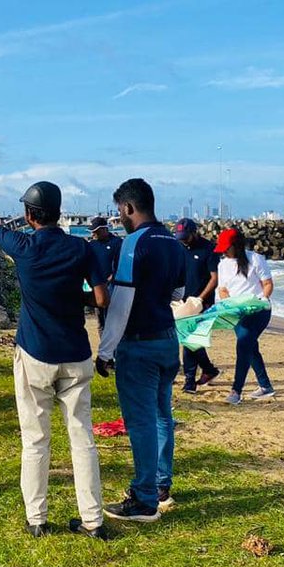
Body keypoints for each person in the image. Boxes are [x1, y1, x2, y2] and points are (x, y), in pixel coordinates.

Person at [0, 184, 111, 539]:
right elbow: (101, 299)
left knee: (36, 439)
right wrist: (75, 295)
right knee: (82, 438)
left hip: (35, 354)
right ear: (58, 212)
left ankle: (37, 518)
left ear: (29, 215)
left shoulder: (23, 247)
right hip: (75, 355)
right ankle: (93, 520)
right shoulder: (81, 249)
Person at [95, 179, 187, 523]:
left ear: (128, 208)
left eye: (120, 211)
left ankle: (145, 499)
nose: (119, 218)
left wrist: (105, 351)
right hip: (167, 338)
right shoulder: (174, 244)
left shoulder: (133, 244)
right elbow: (178, 294)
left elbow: (121, 302)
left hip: (140, 343)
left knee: (142, 420)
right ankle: (162, 484)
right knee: (163, 414)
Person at [215, 228, 276, 404]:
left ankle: (236, 391)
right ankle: (265, 386)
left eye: (227, 248)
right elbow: (223, 289)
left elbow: (268, 284)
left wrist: (261, 300)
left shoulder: (255, 259)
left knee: (243, 345)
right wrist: (230, 306)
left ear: (237, 245)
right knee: (250, 346)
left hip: (259, 311)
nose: (225, 252)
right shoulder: (223, 264)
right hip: (237, 312)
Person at [172, 218, 222, 392]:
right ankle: (208, 369)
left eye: (185, 236)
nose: (183, 240)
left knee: (189, 340)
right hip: (183, 301)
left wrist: (200, 299)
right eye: (180, 237)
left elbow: (214, 279)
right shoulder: (179, 247)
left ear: (194, 232)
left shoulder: (209, 249)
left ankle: (190, 381)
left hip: (203, 302)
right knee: (189, 339)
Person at [88, 216, 123, 335]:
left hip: (114, 287)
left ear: (104, 229)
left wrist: (113, 276)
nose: (94, 234)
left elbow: (122, 264)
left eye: (96, 231)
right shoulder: (91, 245)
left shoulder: (117, 243)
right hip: (98, 287)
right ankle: (104, 347)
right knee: (101, 321)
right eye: (92, 232)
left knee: (114, 320)